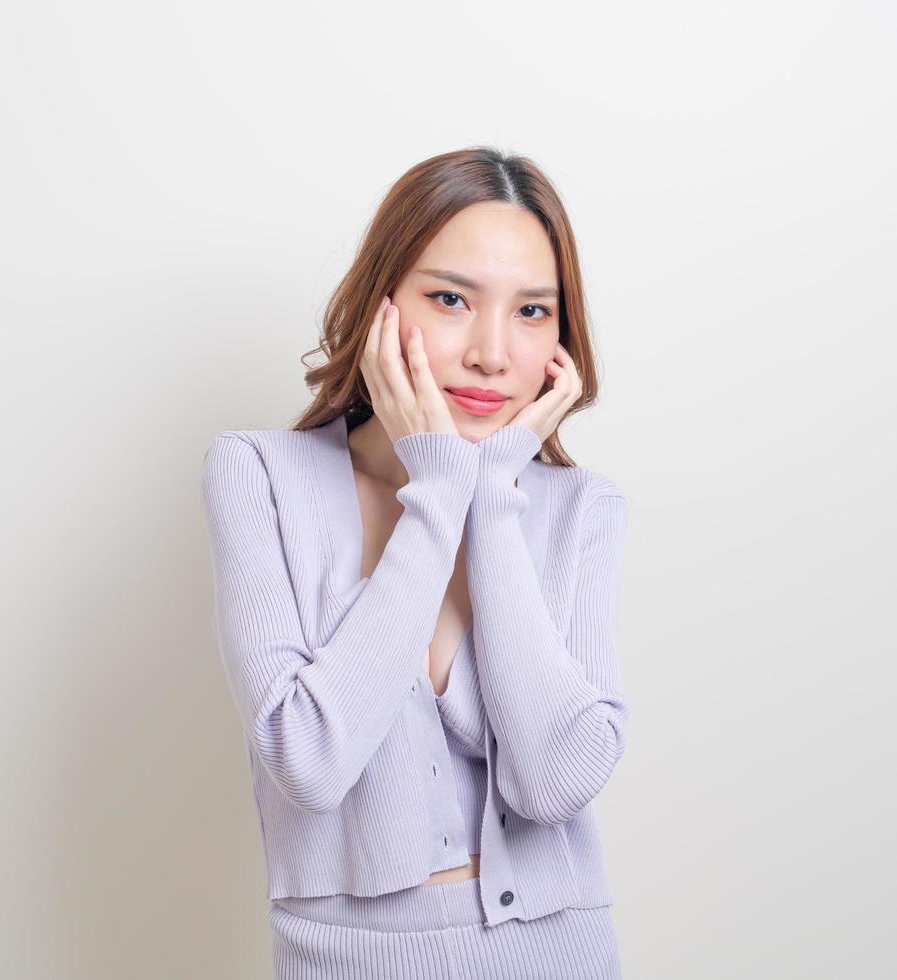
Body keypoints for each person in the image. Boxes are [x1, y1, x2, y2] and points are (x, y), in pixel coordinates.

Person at [202, 146, 630, 979]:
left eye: (533, 312)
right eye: (450, 299)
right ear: (381, 303)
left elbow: (555, 781)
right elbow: (309, 761)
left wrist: (493, 493)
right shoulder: (260, 477)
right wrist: (437, 491)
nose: (491, 353)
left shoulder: (582, 511)